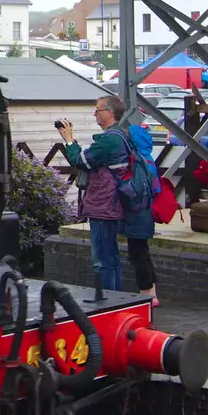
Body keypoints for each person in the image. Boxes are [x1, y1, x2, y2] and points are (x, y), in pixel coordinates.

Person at [58, 97, 130, 292]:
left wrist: (69, 140)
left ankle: (107, 301)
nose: (94, 113)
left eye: (97, 110)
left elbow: (80, 160)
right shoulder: (121, 135)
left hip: (104, 205)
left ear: (110, 113)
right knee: (112, 256)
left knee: (102, 258)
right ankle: (116, 299)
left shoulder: (110, 139)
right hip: (113, 203)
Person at [124, 123, 160, 306]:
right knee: (143, 253)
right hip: (146, 213)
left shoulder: (137, 161)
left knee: (138, 255)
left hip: (138, 213)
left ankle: (148, 295)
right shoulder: (149, 159)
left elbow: (133, 190)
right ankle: (152, 292)